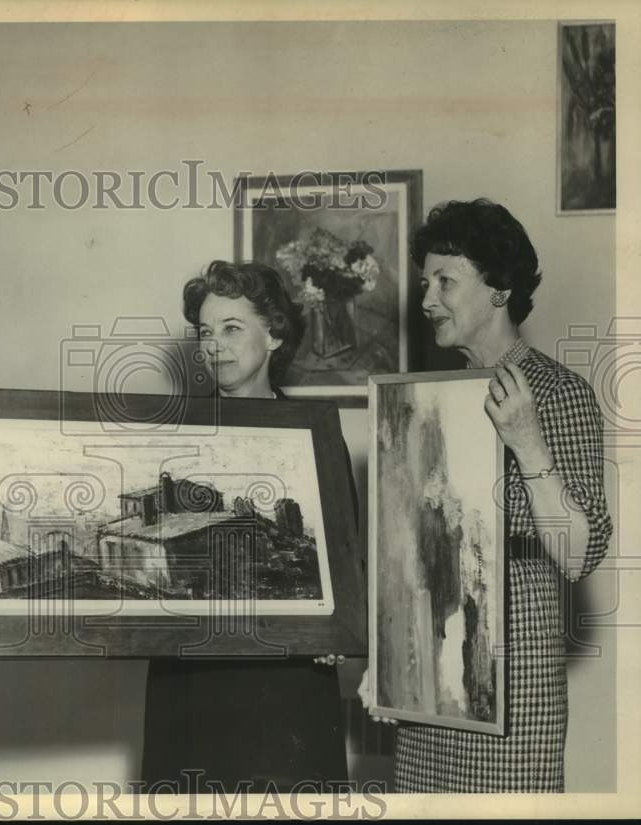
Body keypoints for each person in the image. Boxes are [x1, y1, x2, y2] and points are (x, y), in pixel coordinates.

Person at [359, 198, 613, 792]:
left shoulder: (559, 393)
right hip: (432, 682)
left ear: (499, 290)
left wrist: (526, 440)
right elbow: (411, 553)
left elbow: (578, 555)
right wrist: (388, 660)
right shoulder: (428, 400)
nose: (427, 300)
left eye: (445, 281)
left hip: (514, 691)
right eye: (425, 283)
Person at [141, 259, 358, 793]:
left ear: (275, 335)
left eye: (231, 328)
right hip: (191, 683)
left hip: (287, 685)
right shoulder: (174, 436)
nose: (213, 345)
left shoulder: (317, 436)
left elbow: (343, 563)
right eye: (205, 332)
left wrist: (337, 626)